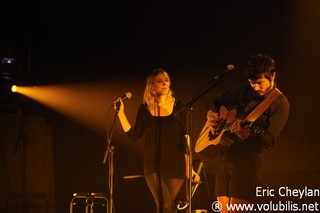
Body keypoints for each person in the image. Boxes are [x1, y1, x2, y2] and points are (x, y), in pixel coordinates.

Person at [206, 53, 290, 213]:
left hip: (247, 164)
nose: (255, 87)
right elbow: (217, 101)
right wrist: (211, 113)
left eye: (259, 83)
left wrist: (247, 136)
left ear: (273, 75)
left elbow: (269, 140)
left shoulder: (280, 103)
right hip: (225, 158)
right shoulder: (243, 90)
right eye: (252, 83)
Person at [114, 68, 200, 213]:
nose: (164, 84)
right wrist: (121, 114)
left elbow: (186, 139)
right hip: (153, 164)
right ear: (151, 86)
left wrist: (189, 168)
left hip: (176, 164)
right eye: (159, 81)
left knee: (169, 209)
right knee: (164, 205)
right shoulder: (144, 109)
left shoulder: (179, 107)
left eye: (166, 80)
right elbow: (134, 136)